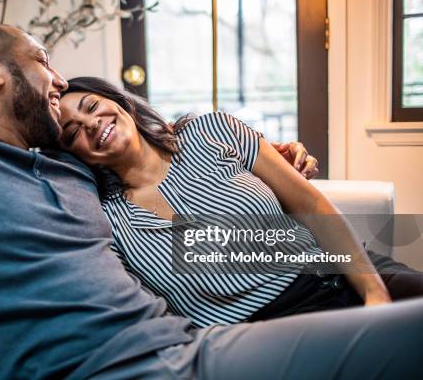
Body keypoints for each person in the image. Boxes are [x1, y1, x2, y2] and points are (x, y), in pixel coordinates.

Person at [0, 24, 422, 380]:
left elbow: (284, 230)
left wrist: (280, 170)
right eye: (45, 63)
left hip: (205, 343)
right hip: (200, 348)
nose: (59, 90)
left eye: (85, 103)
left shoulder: (78, 178)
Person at [57, 76, 423, 326]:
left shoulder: (212, 130)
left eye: (91, 106)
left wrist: (375, 295)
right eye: (73, 131)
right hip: (261, 334)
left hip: (338, 277)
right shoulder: (107, 219)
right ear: (76, 155)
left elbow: (310, 205)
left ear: (121, 103)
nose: (90, 123)